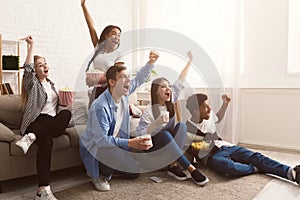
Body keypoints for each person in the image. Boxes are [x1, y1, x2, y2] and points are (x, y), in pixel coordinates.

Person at [79, 50, 159, 192]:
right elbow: (101, 141)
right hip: (98, 147)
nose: (128, 80)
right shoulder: (100, 107)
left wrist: (151, 62)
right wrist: (130, 143)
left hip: (115, 144)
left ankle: (111, 165)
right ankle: (97, 173)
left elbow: (139, 79)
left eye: (128, 77)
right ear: (112, 82)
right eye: (123, 77)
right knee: (112, 153)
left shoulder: (123, 93)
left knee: (134, 173)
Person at [185, 93, 300, 185]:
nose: (210, 109)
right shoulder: (186, 129)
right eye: (205, 107)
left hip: (226, 146)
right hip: (212, 156)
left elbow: (218, 117)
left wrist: (225, 103)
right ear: (196, 110)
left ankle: (291, 172)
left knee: (257, 157)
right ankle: (254, 168)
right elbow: (192, 149)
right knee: (228, 166)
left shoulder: (208, 118)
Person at [136, 51, 209, 186]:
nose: (168, 89)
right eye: (163, 87)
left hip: (168, 146)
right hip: (154, 147)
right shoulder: (149, 111)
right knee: (164, 134)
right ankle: (191, 169)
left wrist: (190, 61)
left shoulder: (171, 99)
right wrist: (156, 123)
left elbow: (181, 79)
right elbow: (141, 134)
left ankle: (173, 165)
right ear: (156, 91)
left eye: (168, 86)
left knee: (182, 126)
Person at [16, 36, 71, 200]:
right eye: (40, 65)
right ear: (35, 70)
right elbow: (26, 69)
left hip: (52, 122)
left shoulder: (53, 85)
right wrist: (31, 46)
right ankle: (43, 190)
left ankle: (31, 137)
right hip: (37, 121)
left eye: (45, 63)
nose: (44, 66)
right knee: (47, 140)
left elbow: (58, 109)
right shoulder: (33, 84)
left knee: (67, 114)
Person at [81, 0, 124, 106]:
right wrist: (83, 6)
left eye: (119, 35)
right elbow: (91, 27)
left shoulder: (118, 55)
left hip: (109, 90)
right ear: (106, 36)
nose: (117, 37)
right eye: (114, 34)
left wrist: (96, 81)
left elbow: (118, 77)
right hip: (96, 89)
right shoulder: (99, 48)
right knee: (92, 117)